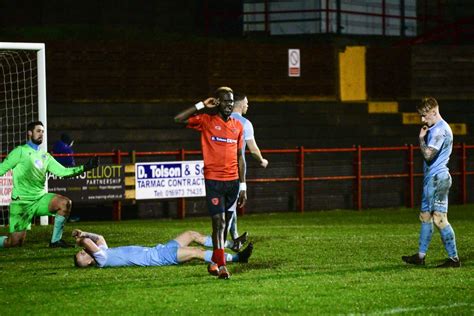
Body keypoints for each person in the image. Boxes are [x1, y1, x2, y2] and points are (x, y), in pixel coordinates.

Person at [174, 87, 247, 279]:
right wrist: (201, 105)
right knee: (219, 223)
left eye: (232, 102)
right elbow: (178, 119)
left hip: (233, 183)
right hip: (214, 182)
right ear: (217, 102)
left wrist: (243, 186)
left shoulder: (238, 126)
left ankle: (214, 263)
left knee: (224, 226)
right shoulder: (206, 121)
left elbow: (240, 157)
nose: (229, 105)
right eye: (225, 101)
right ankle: (222, 267)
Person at [0, 121, 99, 248]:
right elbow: (1, 168)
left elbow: (63, 172)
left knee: (65, 203)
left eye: (42, 131)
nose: (41, 134)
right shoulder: (20, 152)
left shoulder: (45, 156)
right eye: (38, 131)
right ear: (30, 133)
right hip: (22, 203)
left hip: (40, 199)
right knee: (14, 243)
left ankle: (55, 241)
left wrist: (85, 167)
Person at [202, 92, 268, 252]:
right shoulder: (244, 123)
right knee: (227, 214)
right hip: (233, 173)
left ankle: (233, 239)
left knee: (227, 211)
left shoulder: (220, 118)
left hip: (215, 173)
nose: (247, 106)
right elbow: (252, 150)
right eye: (246, 103)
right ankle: (223, 249)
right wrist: (262, 160)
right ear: (239, 104)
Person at [402, 97, 460, 268]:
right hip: (431, 179)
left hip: (438, 178)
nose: (422, 120)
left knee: (440, 219)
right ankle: (420, 256)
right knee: (425, 216)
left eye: (425, 115)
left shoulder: (439, 131)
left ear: (434, 112)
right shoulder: (435, 128)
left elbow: (428, 155)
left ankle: (454, 259)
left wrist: (421, 139)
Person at [73, 229, 253, 269]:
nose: (83, 252)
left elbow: (99, 238)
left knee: (191, 234)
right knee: (195, 253)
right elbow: (88, 243)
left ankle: (232, 244)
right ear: (88, 261)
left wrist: (83, 232)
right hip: (158, 257)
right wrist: (81, 239)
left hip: (158, 249)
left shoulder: (103, 252)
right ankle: (237, 259)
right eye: (82, 255)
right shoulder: (101, 260)